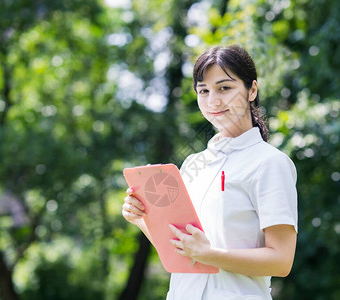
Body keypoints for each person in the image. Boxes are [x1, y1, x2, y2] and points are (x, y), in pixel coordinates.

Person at [122, 45, 298, 300]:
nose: (213, 101)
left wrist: (209, 255)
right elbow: (181, 249)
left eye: (224, 88)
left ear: (252, 90)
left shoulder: (270, 163)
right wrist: (142, 218)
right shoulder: (193, 164)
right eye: (203, 91)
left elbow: (281, 260)